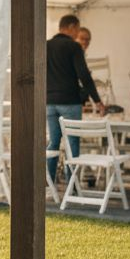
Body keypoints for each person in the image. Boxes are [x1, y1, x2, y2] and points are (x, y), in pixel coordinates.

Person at [47, 14, 105, 181]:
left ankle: (49, 182)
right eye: (78, 29)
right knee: (72, 143)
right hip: (69, 101)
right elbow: (84, 76)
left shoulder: (45, 45)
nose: (77, 33)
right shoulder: (73, 47)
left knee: (53, 143)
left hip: (49, 102)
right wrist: (98, 101)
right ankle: (72, 185)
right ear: (71, 27)